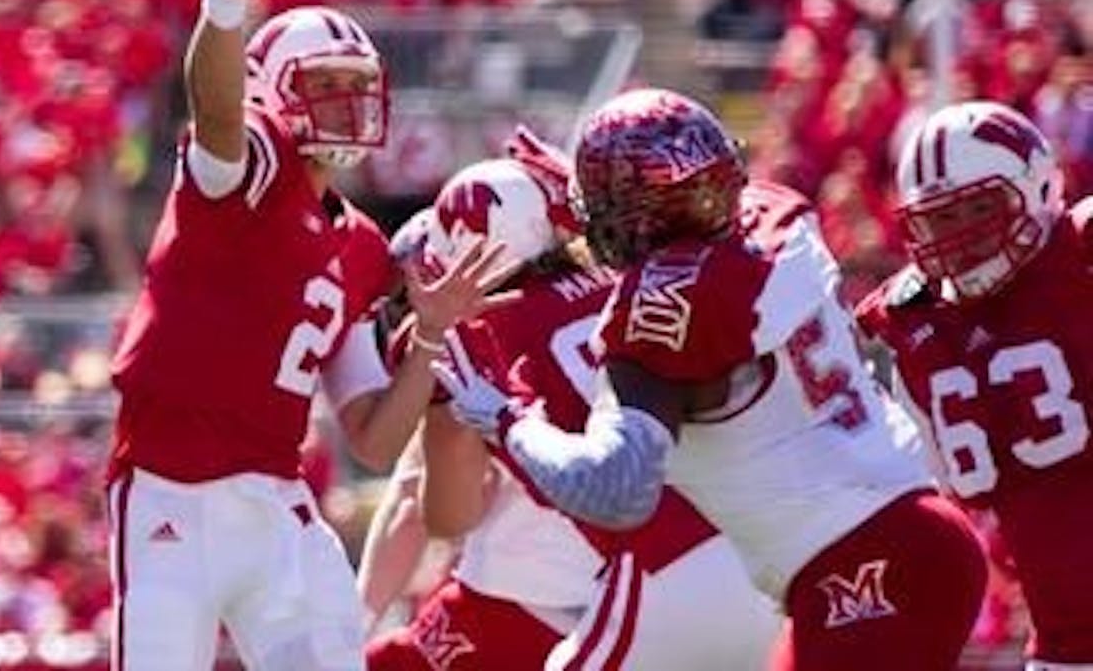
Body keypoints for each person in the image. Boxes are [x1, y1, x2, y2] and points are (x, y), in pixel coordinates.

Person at [429, 88, 986, 670]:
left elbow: (616, 491)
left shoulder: (663, 315)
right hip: (899, 539)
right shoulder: (775, 209)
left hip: (865, 567)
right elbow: (692, 230)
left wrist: (505, 417)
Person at [106, 0, 511, 671]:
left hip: (277, 506)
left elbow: (376, 438)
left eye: (357, 87)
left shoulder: (360, 246)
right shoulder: (246, 174)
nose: (349, 103)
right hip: (169, 494)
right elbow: (219, 111)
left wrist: (427, 335)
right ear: (274, 89)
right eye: (326, 86)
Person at [363, 144, 778, 671]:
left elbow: (446, 515)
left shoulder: (470, 341)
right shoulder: (633, 285)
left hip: (613, 580)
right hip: (746, 544)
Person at [856, 101, 1093, 669]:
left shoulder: (1080, 252)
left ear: (1037, 187)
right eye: (941, 220)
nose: (962, 237)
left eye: (980, 208)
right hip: (1063, 641)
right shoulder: (911, 322)